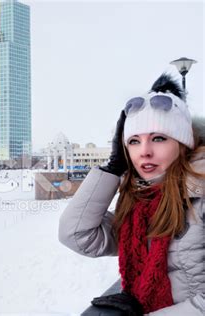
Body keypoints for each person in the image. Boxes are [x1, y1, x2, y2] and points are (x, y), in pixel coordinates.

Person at [58, 73, 204, 316]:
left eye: (158, 138)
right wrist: (113, 168)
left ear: (183, 143)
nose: (144, 152)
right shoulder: (140, 204)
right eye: (134, 141)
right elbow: (77, 235)